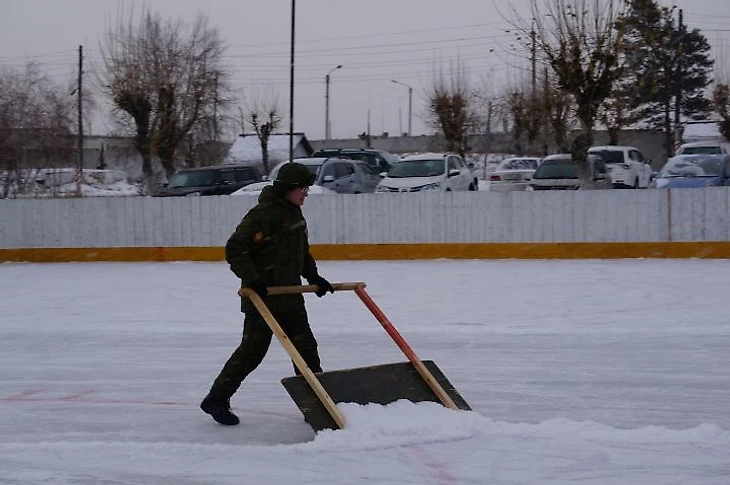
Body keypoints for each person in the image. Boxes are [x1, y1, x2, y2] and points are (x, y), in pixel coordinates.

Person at [200, 162, 334, 426]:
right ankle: (216, 399)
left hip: (290, 294)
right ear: (287, 189)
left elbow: (300, 251)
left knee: (306, 350)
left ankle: (317, 405)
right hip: (263, 299)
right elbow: (235, 249)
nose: (306, 193)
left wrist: (313, 277)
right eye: (302, 188)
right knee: (251, 353)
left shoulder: (294, 213)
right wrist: (254, 279)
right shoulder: (262, 215)